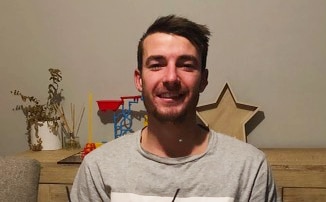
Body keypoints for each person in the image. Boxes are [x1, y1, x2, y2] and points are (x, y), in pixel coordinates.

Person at [71, 15, 277, 202]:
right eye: (156, 65)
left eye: (186, 65)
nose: (171, 78)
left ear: (203, 80)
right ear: (139, 79)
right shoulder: (99, 169)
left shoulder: (249, 169)